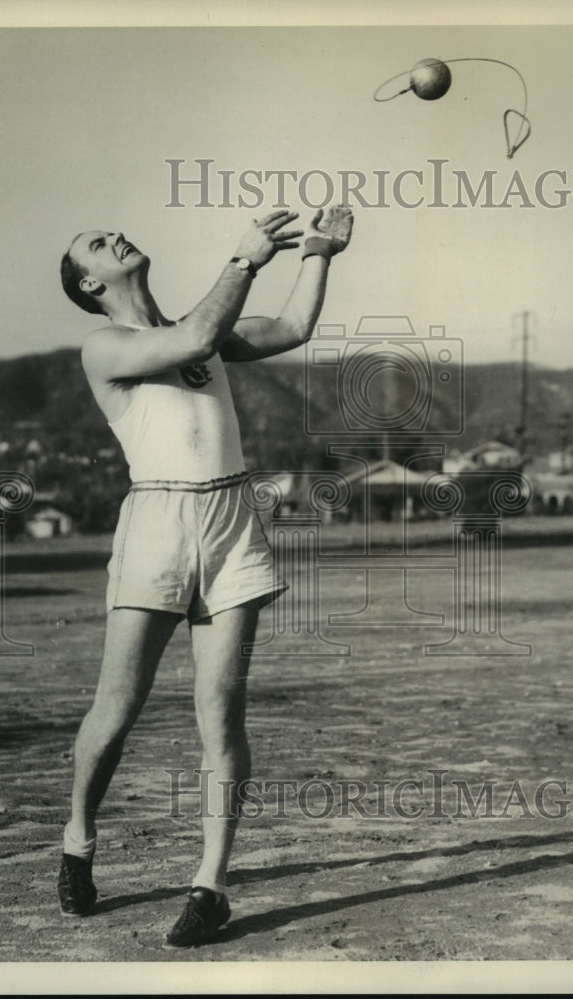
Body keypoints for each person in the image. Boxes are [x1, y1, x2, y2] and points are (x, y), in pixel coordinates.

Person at [58, 204, 354, 946]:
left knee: (221, 711)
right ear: (91, 284)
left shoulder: (205, 327)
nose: (113, 233)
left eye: (108, 228)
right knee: (116, 709)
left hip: (229, 519)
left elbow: (288, 330)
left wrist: (316, 254)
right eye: (98, 244)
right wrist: (246, 259)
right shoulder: (105, 344)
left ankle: (211, 886)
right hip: (157, 524)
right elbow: (190, 336)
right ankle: (78, 837)